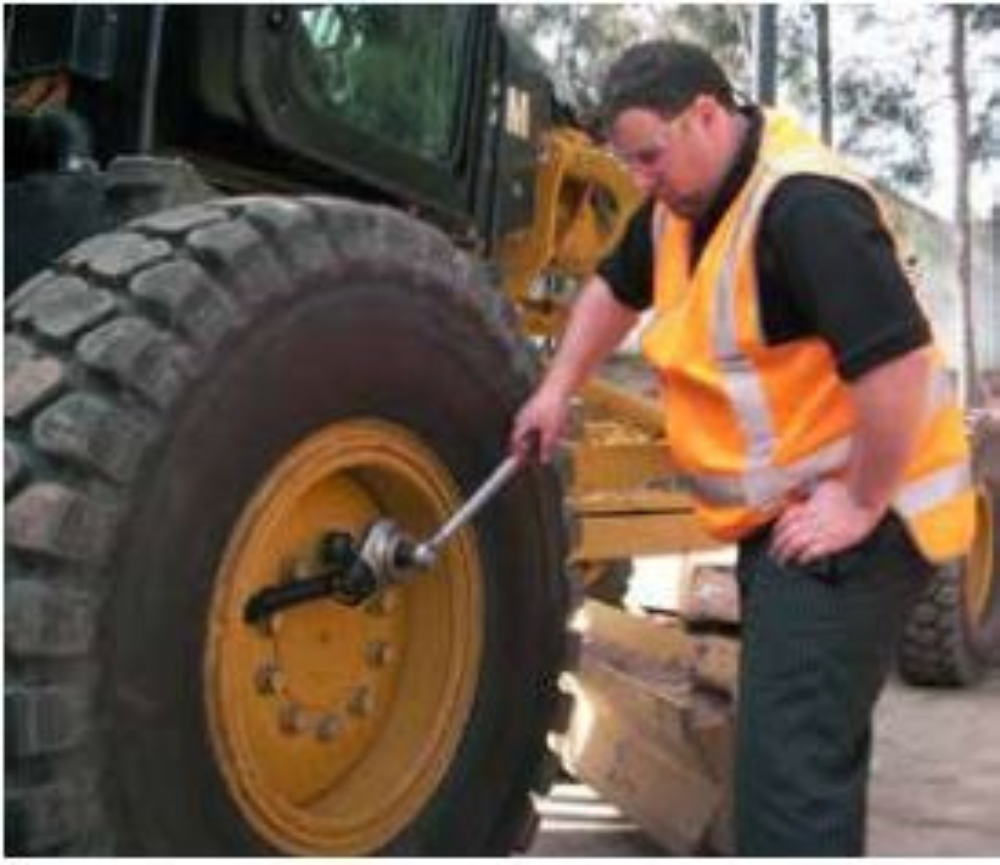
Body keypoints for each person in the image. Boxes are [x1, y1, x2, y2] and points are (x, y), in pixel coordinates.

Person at [510, 40, 975, 856]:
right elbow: (616, 288)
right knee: (808, 749)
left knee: (785, 777)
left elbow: (900, 365)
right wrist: (557, 387)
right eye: (631, 162)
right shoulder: (678, 205)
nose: (641, 179)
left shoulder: (804, 208)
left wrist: (859, 500)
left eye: (650, 157)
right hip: (791, 515)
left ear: (707, 115)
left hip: (865, 518)